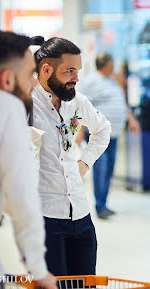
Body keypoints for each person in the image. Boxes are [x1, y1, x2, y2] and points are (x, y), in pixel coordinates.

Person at [0, 30, 56, 289]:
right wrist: (37, 270)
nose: (34, 83)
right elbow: (22, 195)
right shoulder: (4, 108)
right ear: (7, 79)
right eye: (30, 74)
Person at [31, 37, 111, 275]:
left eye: (78, 70)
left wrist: (85, 162)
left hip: (81, 216)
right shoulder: (26, 105)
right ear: (46, 70)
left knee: (85, 282)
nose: (76, 78)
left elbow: (103, 128)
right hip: (45, 218)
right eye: (69, 71)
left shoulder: (76, 101)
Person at [77, 52, 140, 219]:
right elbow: (81, 107)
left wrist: (131, 118)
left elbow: (120, 103)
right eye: (112, 62)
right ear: (106, 64)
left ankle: (104, 202)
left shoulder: (112, 81)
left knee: (110, 168)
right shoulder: (90, 81)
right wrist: (80, 130)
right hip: (97, 134)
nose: (114, 66)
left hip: (114, 134)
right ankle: (100, 206)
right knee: (101, 168)